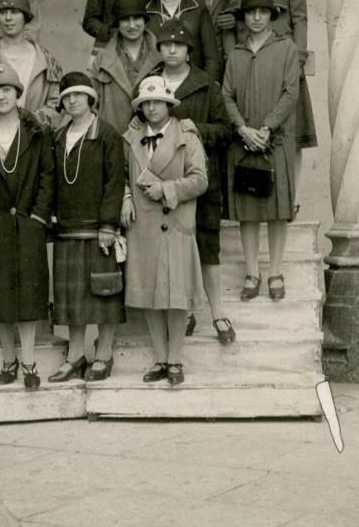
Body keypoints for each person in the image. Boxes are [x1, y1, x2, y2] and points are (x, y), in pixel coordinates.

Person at [0, 64, 54, 392]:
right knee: (0, 294)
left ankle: (29, 359)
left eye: (8, 89)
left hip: (28, 222)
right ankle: (8, 358)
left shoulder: (35, 131)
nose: (2, 96)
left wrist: (39, 217)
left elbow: (47, 175)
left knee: (28, 295)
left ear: (19, 94)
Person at [149, 19, 235, 343]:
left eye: (179, 45)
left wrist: (196, 128)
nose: (172, 50)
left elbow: (225, 130)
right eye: (166, 44)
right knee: (173, 251)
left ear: (189, 51)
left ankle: (218, 314)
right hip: (162, 185)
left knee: (207, 248)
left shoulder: (207, 86)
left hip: (201, 182)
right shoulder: (150, 85)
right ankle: (183, 312)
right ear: (159, 49)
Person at [120, 75, 207, 386]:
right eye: (147, 102)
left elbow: (200, 180)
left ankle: (175, 359)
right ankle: (159, 357)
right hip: (142, 224)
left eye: (158, 102)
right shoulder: (130, 138)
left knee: (175, 294)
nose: (152, 107)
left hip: (175, 221)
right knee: (148, 294)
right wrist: (127, 197)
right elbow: (121, 175)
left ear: (169, 105)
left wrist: (167, 189)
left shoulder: (187, 136)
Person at [223, 0, 316, 191]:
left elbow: (299, 18)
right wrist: (232, 57)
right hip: (249, 65)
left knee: (290, 132)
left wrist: (298, 59)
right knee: (251, 128)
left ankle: (291, 193)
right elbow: (232, 25)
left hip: (283, 63)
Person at [222, 0, 300, 303]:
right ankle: (252, 272)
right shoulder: (236, 55)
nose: (257, 17)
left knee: (278, 210)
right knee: (249, 211)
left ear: (271, 16)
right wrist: (243, 129)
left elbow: (291, 92)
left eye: (263, 12)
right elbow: (226, 95)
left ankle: (276, 271)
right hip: (244, 143)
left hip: (274, 141)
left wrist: (266, 127)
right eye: (251, 12)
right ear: (243, 17)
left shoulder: (286, 49)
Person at [47, 72, 126, 383]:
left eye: (79, 95)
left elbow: (114, 182)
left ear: (91, 99)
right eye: (67, 96)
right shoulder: (57, 136)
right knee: (71, 299)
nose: (73, 100)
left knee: (104, 292)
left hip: (99, 230)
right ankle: (75, 355)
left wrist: (108, 224)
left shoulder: (107, 135)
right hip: (67, 228)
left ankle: (104, 353)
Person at [0, 0, 62, 129]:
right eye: (3, 12)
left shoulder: (45, 60)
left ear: (25, 17)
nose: (8, 18)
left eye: (14, 12)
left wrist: (32, 123)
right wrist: (4, 123)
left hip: (36, 137)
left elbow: (56, 103)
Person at [145, 0, 221, 81]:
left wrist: (208, 89)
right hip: (156, 87)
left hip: (193, 86)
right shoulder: (147, 12)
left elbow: (212, 57)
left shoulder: (198, 9)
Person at [90, 0, 160, 135]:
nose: (132, 25)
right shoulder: (102, 60)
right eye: (125, 20)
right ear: (117, 23)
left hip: (154, 136)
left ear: (145, 20)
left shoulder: (161, 54)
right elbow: (91, 102)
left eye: (137, 18)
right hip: (114, 137)